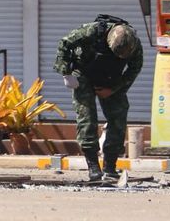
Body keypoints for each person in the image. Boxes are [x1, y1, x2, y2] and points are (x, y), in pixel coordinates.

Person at [54, 15, 144, 182]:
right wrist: (66, 73)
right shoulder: (93, 31)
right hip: (84, 75)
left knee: (118, 116)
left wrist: (114, 89)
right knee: (87, 118)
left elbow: (134, 69)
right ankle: (93, 167)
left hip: (111, 79)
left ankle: (110, 167)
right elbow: (64, 43)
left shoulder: (134, 44)